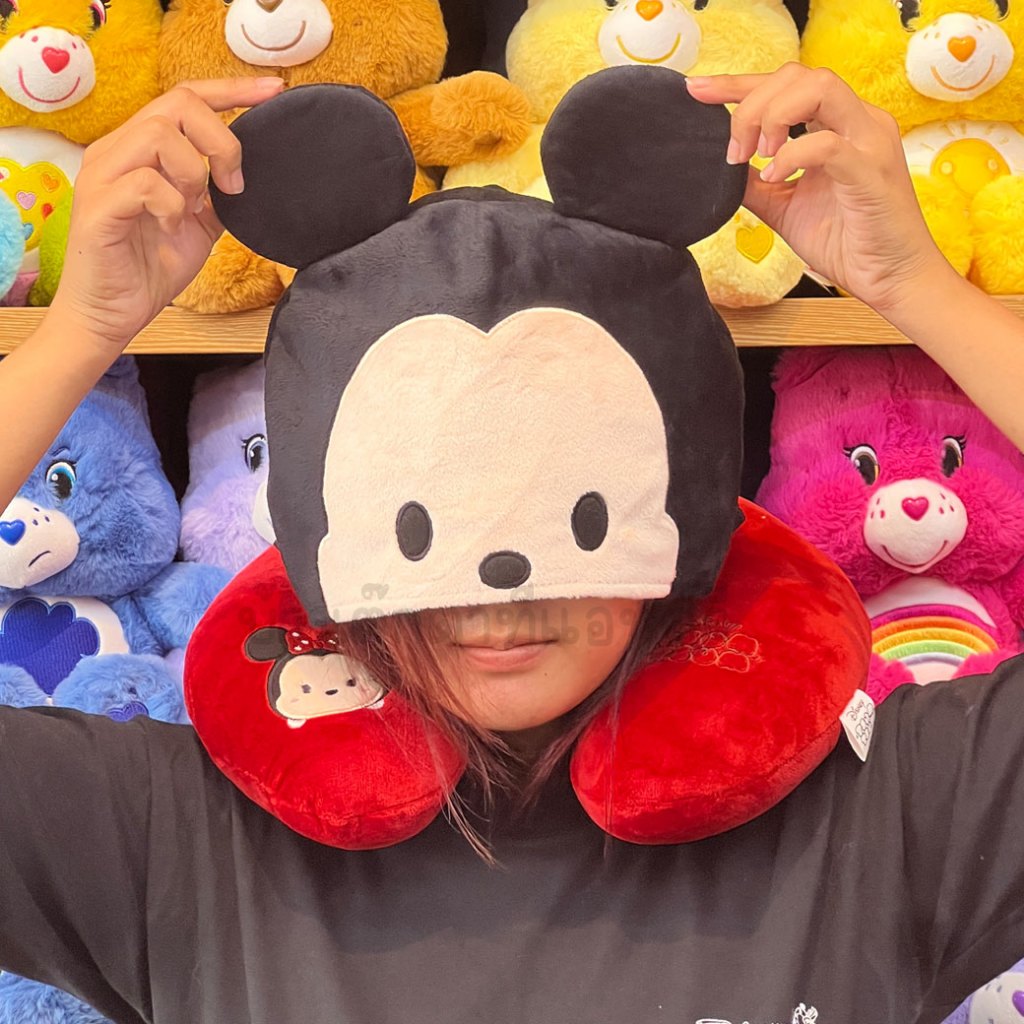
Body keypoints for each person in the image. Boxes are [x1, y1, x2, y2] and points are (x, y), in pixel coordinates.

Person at [0, 62, 1023, 1024]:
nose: (497, 594)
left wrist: (915, 287)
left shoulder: (888, 813)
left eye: (568, 512)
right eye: (429, 520)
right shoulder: (175, 833)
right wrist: (82, 328)